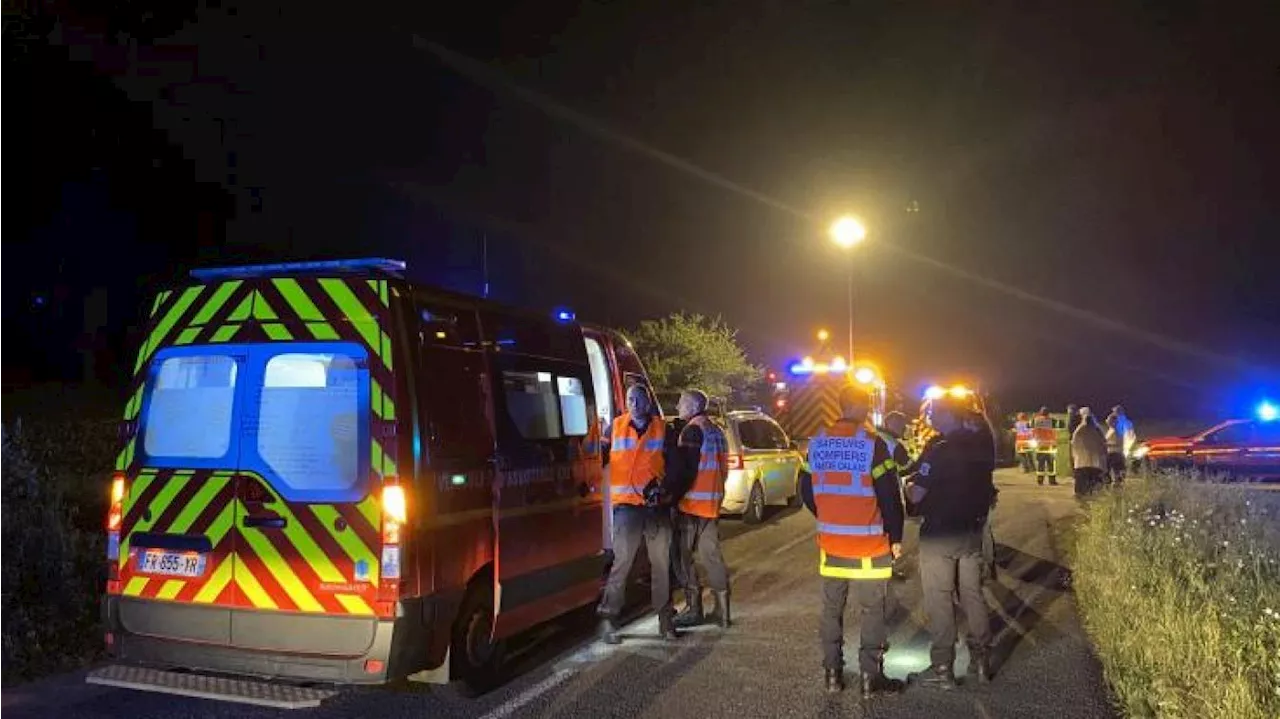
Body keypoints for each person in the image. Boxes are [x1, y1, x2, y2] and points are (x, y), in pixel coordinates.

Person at [800, 384, 906, 697]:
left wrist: (829, 514)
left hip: (832, 543)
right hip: (869, 545)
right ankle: (870, 679)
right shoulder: (872, 445)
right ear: (860, 407)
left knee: (832, 610)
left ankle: (832, 674)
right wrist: (895, 536)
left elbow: (807, 490)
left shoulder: (817, 443)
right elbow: (889, 496)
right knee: (872, 610)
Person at [906, 396, 996, 689]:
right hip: (971, 532)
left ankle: (943, 668)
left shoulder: (939, 451)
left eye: (932, 411)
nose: (929, 416)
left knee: (940, 598)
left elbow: (917, 495)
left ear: (946, 414)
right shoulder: (981, 448)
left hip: (940, 535)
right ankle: (981, 659)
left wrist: (908, 487)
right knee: (972, 594)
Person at [598, 384, 679, 644]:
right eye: (630, 399)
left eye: (638, 399)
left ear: (647, 402)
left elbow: (676, 467)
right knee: (622, 564)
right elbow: (596, 457)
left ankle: (665, 621)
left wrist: (665, 490)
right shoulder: (615, 427)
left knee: (661, 564)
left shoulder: (663, 429)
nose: (633, 403)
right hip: (626, 508)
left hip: (656, 508)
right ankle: (608, 618)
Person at [671, 389, 732, 629]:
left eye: (680, 403)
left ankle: (693, 608)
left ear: (692, 406)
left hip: (692, 504)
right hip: (712, 503)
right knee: (712, 556)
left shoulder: (692, 431)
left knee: (683, 558)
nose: (677, 407)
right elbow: (723, 469)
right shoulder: (717, 431)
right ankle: (723, 612)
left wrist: (672, 497)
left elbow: (686, 471)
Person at [878, 411, 914, 580]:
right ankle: (890, 564)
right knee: (894, 528)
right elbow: (908, 468)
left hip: (873, 493)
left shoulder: (874, 436)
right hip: (890, 491)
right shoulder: (893, 444)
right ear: (893, 425)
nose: (903, 429)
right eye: (901, 425)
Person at [1071, 409, 1108, 499]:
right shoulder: (1097, 430)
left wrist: (1074, 456)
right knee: (1094, 487)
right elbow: (1103, 445)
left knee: (1081, 488)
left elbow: (1074, 444)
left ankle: (1082, 499)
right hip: (1096, 462)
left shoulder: (1079, 430)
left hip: (1081, 462)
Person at [1032, 406, 1058, 486]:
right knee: (1051, 464)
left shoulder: (1036, 420)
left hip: (1040, 446)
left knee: (1040, 464)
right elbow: (1055, 431)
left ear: (1041, 412)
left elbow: (1034, 432)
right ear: (1048, 413)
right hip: (1051, 446)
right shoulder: (1052, 421)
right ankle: (1052, 481)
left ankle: (1040, 480)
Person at [1104, 411, 1126, 485]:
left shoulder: (1117, 430)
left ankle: (1116, 484)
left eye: (1109, 420)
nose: (1107, 421)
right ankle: (1113, 483)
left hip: (1115, 453)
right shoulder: (1111, 430)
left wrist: (1106, 444)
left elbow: (1118, 443)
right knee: (1111, 470)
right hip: (1110, 452)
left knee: (1115, 470)